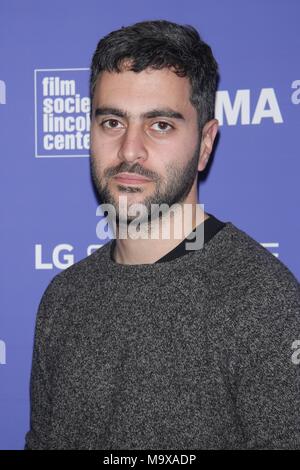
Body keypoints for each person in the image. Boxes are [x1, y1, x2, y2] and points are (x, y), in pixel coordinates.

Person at [24, 19, 300, 450]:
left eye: (161, 125)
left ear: (205, 144)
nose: (130, 149)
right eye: (112, 122)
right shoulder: (64, 297)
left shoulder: (261, 299)